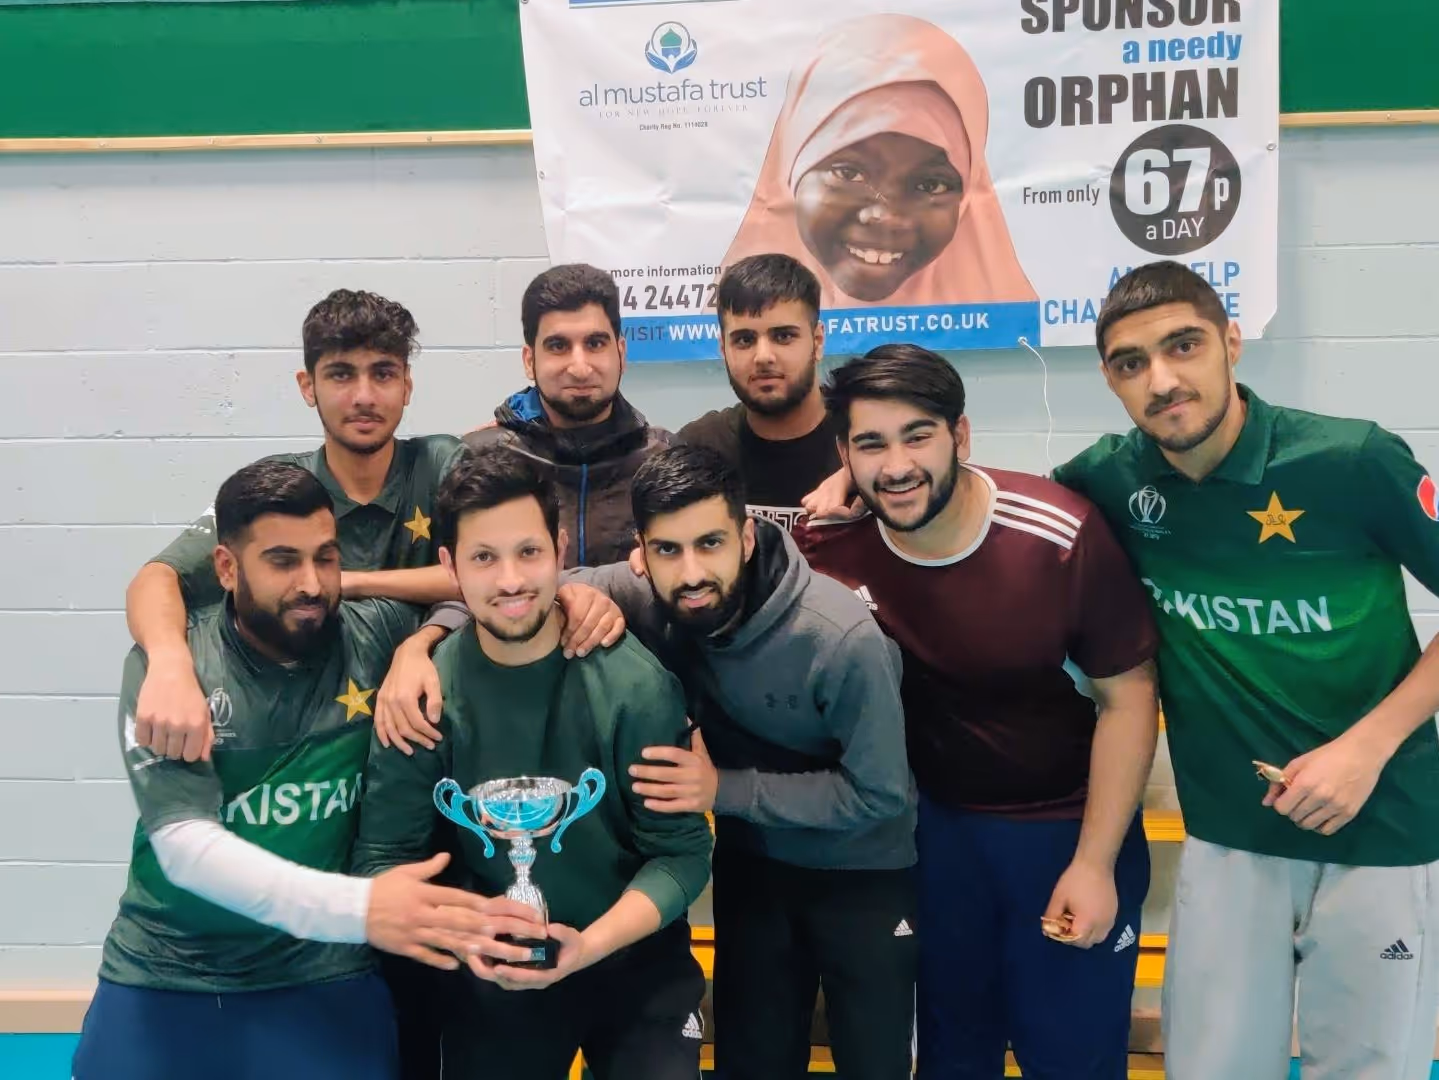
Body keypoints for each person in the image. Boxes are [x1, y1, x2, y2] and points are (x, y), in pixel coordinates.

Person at [1052, 261, 1439, 1080]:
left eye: (1182, 345)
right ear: (1110, 380)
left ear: (1230, 341)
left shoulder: (1352, 460)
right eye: (1131, 362)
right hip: (1227, 839)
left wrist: (1363, 749)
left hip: (1384, 826)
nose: (1162, 380)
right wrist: (851, 484)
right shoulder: (1107, 481)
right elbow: (981, 510)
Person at [72, 460, 540, 1080]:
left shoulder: (374, 634)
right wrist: (364, 908)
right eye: (283, 561)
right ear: (226, 568)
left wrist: (420, 644)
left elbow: (492, 592)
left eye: (326, 557)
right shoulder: (175, 669)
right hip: (167, 967)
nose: (313, 584)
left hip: (323, 970)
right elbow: (185, 848)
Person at [795, 346, 1159, 1080]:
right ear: (843, 455)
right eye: (870, 444)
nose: (895, 465)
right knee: (951, 1057)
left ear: (959, 437)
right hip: (933, 844)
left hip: (1062, 833)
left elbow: (1130, 698)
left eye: (916, 436)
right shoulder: (831, 550)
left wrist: (1092, 864)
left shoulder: (1057, 536)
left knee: (1071, 1060)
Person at [351, 448, 713, 1080]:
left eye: (528, 552)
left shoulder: (634, 684)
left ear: (560, 547)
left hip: (631, 960)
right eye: (484, 558)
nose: (511, 580)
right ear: (450, 567)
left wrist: (587, 947)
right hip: (488, 969)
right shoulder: (419, 699)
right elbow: (385, 862)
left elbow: (681, 855)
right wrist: (468, 935)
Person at [125, 288, 462, 765]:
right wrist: (168, 664)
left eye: (383, 373)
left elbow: (493, 580)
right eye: (341, 374)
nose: (364, 396)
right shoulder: (281, 490)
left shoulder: (441, 464)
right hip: (321, 753)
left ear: (407, 385)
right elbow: (156, 578)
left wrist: (356, 586)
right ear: (308, 386)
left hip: (431, 742)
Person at [721, 14, 1035, 308]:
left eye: (930, 184)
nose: (886, 216)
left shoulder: (1011, 329)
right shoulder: (746, 330)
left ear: (967, 192)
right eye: (848, 173)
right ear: (791, 168)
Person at [465, 263, 675, 568]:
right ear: (529, 360)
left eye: (595, 343)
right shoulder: (479, 458)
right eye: (558, 346)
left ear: (621, 353)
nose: (579, 367)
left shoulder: (663, 458)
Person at [679, 254, 844, 529]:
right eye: (745, 340)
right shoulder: (697, 449)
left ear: (817, 342)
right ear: (723, 349)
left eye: (783, 336)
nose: (763, 357)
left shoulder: (864, 441)